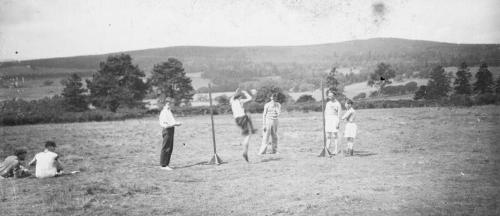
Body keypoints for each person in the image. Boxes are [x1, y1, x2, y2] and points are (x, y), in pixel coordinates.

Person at [230, 88, 257, 162]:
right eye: (241, 96)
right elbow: (250, 98)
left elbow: (233, 96)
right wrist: (245, 92)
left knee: (248, 116)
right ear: (240, 97)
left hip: (237, 119)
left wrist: (236, 91)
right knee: (248, 135)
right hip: (243, 117)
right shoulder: (240, 101)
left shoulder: (232, 101)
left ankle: (251, 130)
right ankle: (245, 152)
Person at [159, 97, 182, 171]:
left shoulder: (169, 111)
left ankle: (166, 164)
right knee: (166, 147)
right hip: (167, 130)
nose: (173, 105)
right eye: (172, 103)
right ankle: (163, 165)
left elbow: (170, 121)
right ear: (167, 103)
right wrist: (175, 124)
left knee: (170, 147)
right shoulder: (164, 112)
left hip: (171, 129)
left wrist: (175, 124)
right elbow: (164, 124)